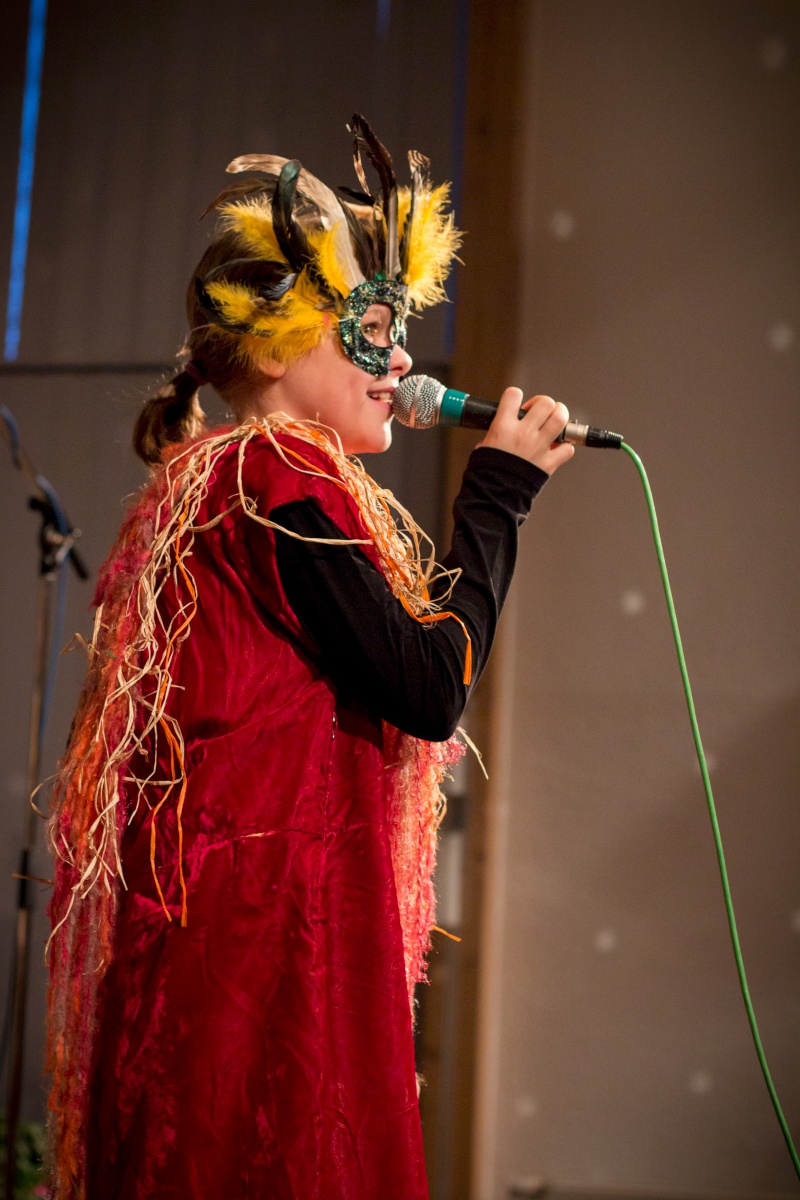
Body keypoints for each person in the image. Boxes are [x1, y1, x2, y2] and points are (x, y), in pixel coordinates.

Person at [45, 115, 573, 1200]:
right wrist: (498, 495)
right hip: (269, 937)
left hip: (229, 920)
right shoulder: (278, 476)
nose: (401, 363)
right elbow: (427, 686)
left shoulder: (218, 481)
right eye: (370, 333)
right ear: (279, 347)